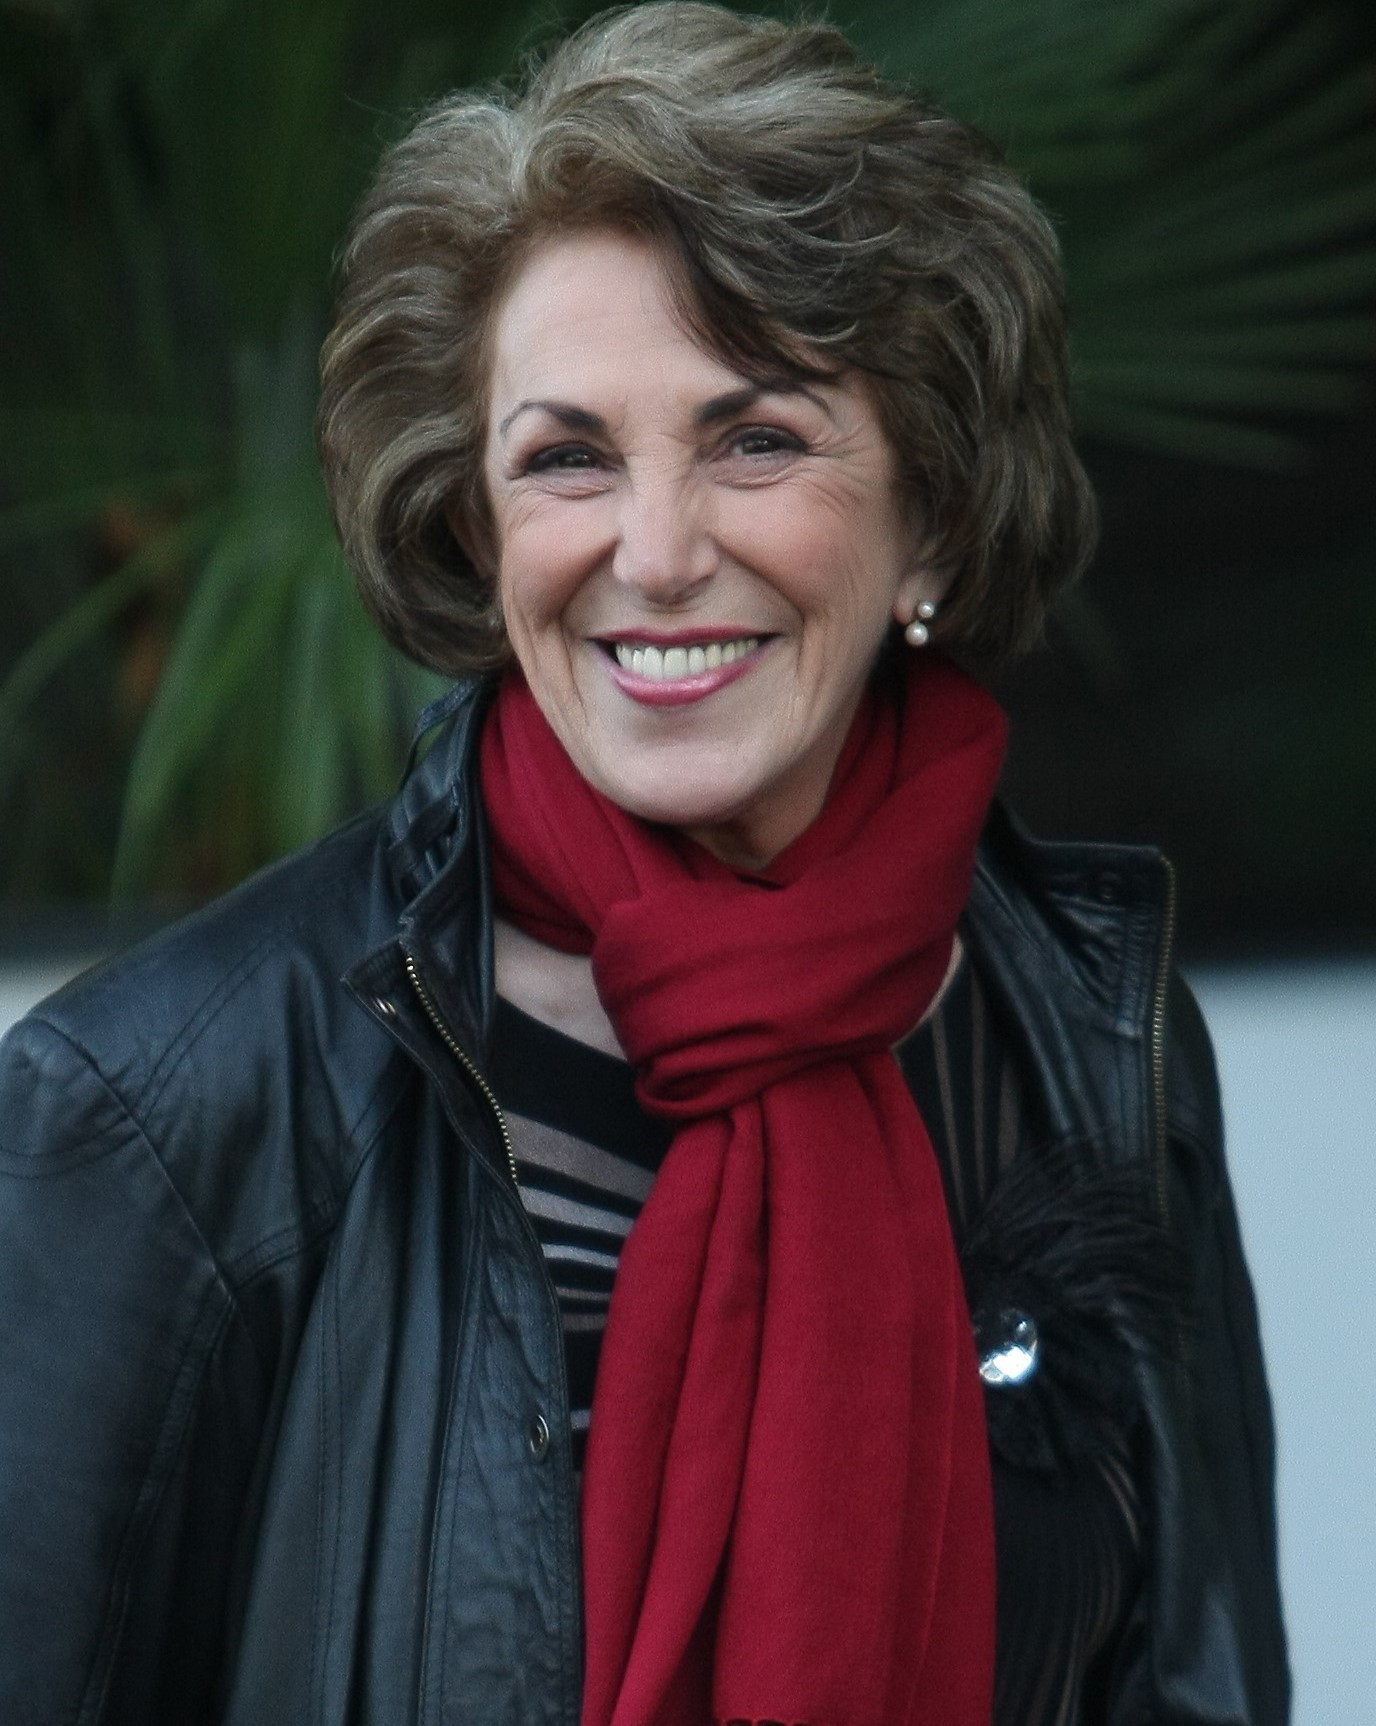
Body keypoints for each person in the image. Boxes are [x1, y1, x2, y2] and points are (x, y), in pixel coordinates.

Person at [0, 6, 1287, 1723]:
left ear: (931, 509)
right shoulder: (167, 1113)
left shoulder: (1093, 1040)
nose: (658, 552)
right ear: (476, 525)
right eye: (568, 457)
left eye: (756, 438)